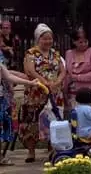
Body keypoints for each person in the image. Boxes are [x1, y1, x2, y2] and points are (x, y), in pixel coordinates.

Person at [19, 23, 65, 163]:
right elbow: (30, 71)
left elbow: (63, 70)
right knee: (32, 121)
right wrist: (43, 81)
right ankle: (31, 151)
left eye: (50, 38)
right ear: (38, 39)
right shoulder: (31, 53)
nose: (48, 41)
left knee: (54, 119)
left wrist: (57, 81)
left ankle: (52, 148)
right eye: (44, 38)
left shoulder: (55, 54)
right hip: (35, 93)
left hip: (54, 93)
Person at [0, 61, 40, 166]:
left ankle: (0, 156)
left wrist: (30, 83)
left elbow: (9, 77)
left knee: (1, 129)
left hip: (1, 101)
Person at [64, 29, 91, 112]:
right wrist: (64, 90)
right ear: (74, 41)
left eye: (86, 41)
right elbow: (67, 72)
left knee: (86, 116)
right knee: (74, 118)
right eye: (80, 42)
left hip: (88, 92)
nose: (84, 44)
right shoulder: (69, 53)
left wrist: (77, 77)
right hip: (72, 92)